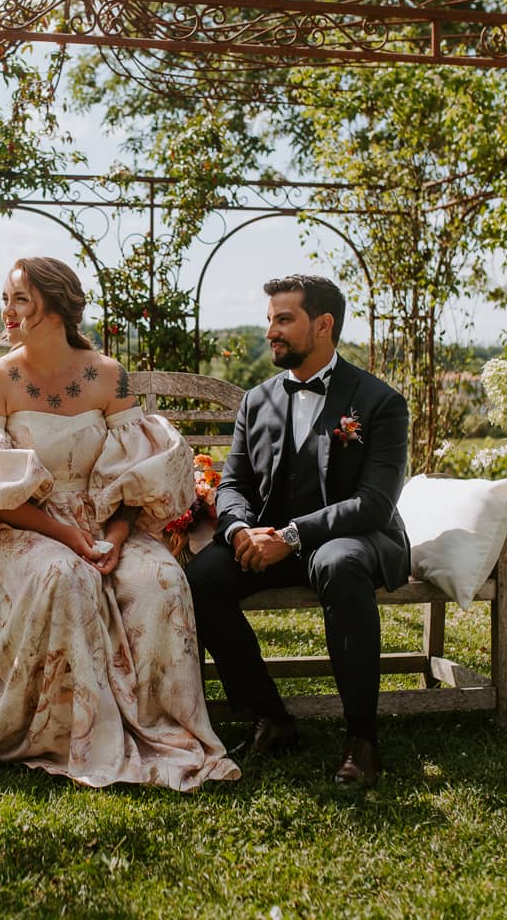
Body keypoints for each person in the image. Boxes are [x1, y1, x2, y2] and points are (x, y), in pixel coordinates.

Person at [0, 256, 239, 790]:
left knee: (159, 580)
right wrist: (69, 537)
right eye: (7, 299)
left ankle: (162, 728)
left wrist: (112, 537)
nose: (8, 312)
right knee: (63, 577)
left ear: (57, 307)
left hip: (105, 523)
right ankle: (72, 734)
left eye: (20, 300)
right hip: (18, 528)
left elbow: (139, 476)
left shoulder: (107, 376)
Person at [186, 274, 410, 787]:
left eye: (284, 319)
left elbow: (373, 503)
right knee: (203, 578)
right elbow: (234, 481)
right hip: (267, 538)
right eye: (269, 320)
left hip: (353, 536)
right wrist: (239, 529)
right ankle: (271, 715)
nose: (271, 331)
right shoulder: (256, 400)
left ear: (324, 324)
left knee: (340, 564)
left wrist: (288, 535)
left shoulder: (380, 403)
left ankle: (362, 739)